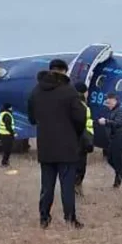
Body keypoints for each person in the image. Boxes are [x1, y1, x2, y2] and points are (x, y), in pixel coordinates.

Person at [27, 59, 87, 229]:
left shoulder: (36, 91)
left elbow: (31, 118)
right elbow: (80, 117)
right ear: (64, 71)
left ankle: (44, 218)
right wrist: (75, 133)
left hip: (46, 146)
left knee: (47, 185)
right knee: (67, 186)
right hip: (67, 146)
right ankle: (70, 219)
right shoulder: (69, 91)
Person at [99, 93, 122, 187]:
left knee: (117, 160)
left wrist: (106, 121)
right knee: (111, 159)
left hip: (120, 139)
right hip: (114, 138)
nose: (108, 105)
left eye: (109, 103)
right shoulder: (114, 110)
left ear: (114, 100)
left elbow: (118, 123)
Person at [74, 82, 94, 197]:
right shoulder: (81, 106)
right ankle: (76, 188)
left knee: (79, 166)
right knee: (79, 166)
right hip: (81, 141)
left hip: (82, 140)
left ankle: (76, 187)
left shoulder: (80, 105)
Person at [0, 104, 15, 168]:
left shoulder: (2, 114)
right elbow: (8, 126)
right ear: (9, 108)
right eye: (11, 107)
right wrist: (13, 133)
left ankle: (5, 162)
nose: (12, 108)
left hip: (3, 134)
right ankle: (4, 163)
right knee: (7, 149)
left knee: (6, 149)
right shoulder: (7, 115)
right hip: (6, 135)